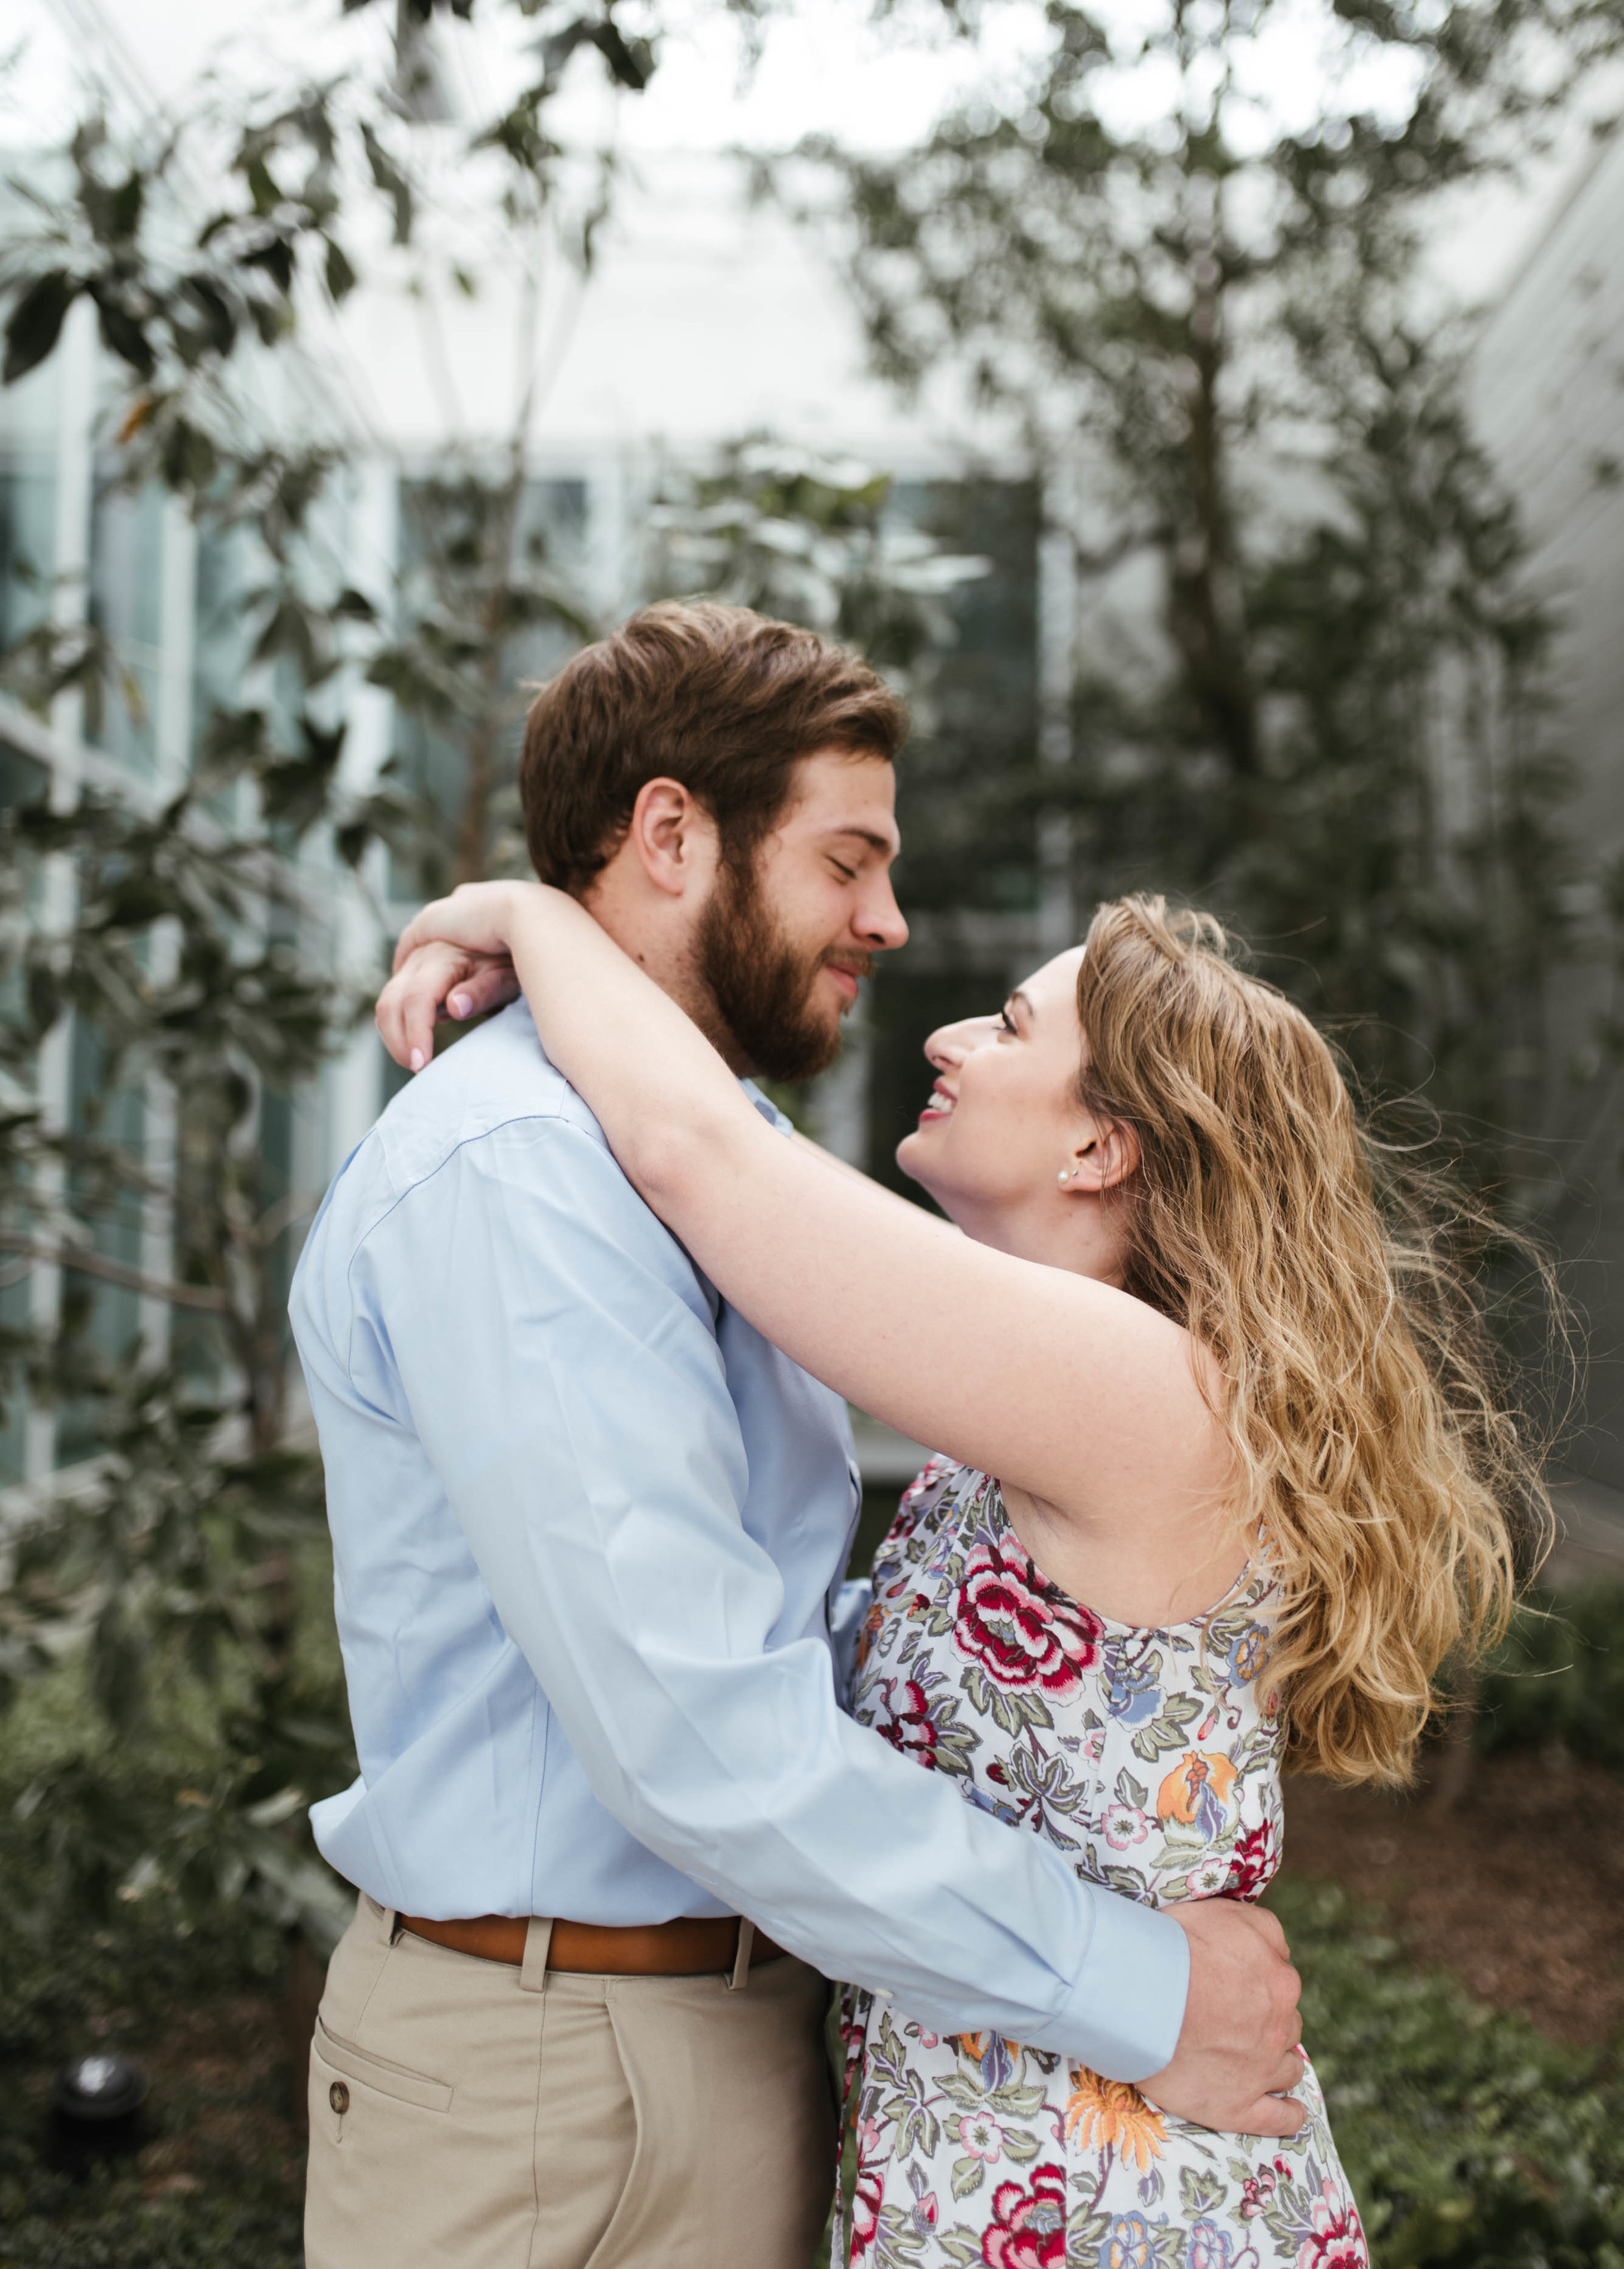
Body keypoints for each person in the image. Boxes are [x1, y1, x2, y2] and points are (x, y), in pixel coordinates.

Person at [291, 602, 1302, 2269]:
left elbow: (774, 1636)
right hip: (555, 2076)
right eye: (849, 860)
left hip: (753, 2041)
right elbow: (698, 1726)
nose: (889, 928)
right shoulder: (530, 1170)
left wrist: (524, 914)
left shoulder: (724, 1172)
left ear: (1107, 1149)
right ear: (674, 835)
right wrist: (1138, 1986)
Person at [379, 863, 1547, 2269]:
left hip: (1109, 2196)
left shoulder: (1136, 1391)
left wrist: (529, 912)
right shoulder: (1024, 1431)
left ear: (1097, 1149)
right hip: (1006, 2167)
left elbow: (698, 1154)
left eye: (1002, 1025)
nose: (945, 1039)